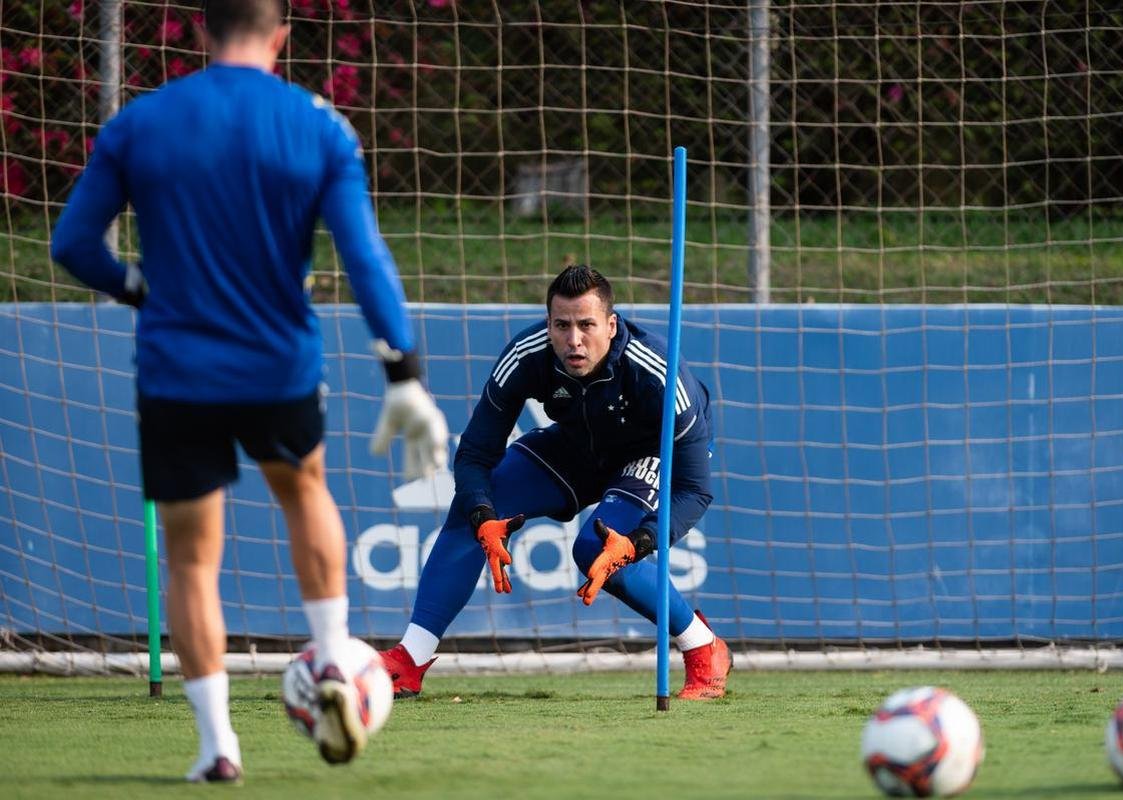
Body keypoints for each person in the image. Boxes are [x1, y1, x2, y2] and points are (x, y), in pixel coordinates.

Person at [50, 0, 449, 782]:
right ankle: (334, 658)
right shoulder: (319, 126)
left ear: (201, 32)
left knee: (192, 561)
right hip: (279, 366)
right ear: (281, 37)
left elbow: (71, 243)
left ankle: (217, 749)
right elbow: (366, 259)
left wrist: (137, 289)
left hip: (177, 372)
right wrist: (402, 374)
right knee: (306, 495)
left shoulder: (142, 121)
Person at [380, 264, 730, 700]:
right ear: (548, 324)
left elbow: (696, 490)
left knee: (595, 548)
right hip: (573, 446)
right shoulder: (526, 354)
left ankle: (703, 647)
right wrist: (483, 515)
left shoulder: (659, 373)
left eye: (586, 325)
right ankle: (409, 660)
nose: (574, 340)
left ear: (611, 325)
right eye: (561, 326)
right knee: (474, 506)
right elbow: (474, 454)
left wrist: (639, 542)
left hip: (648, 455)